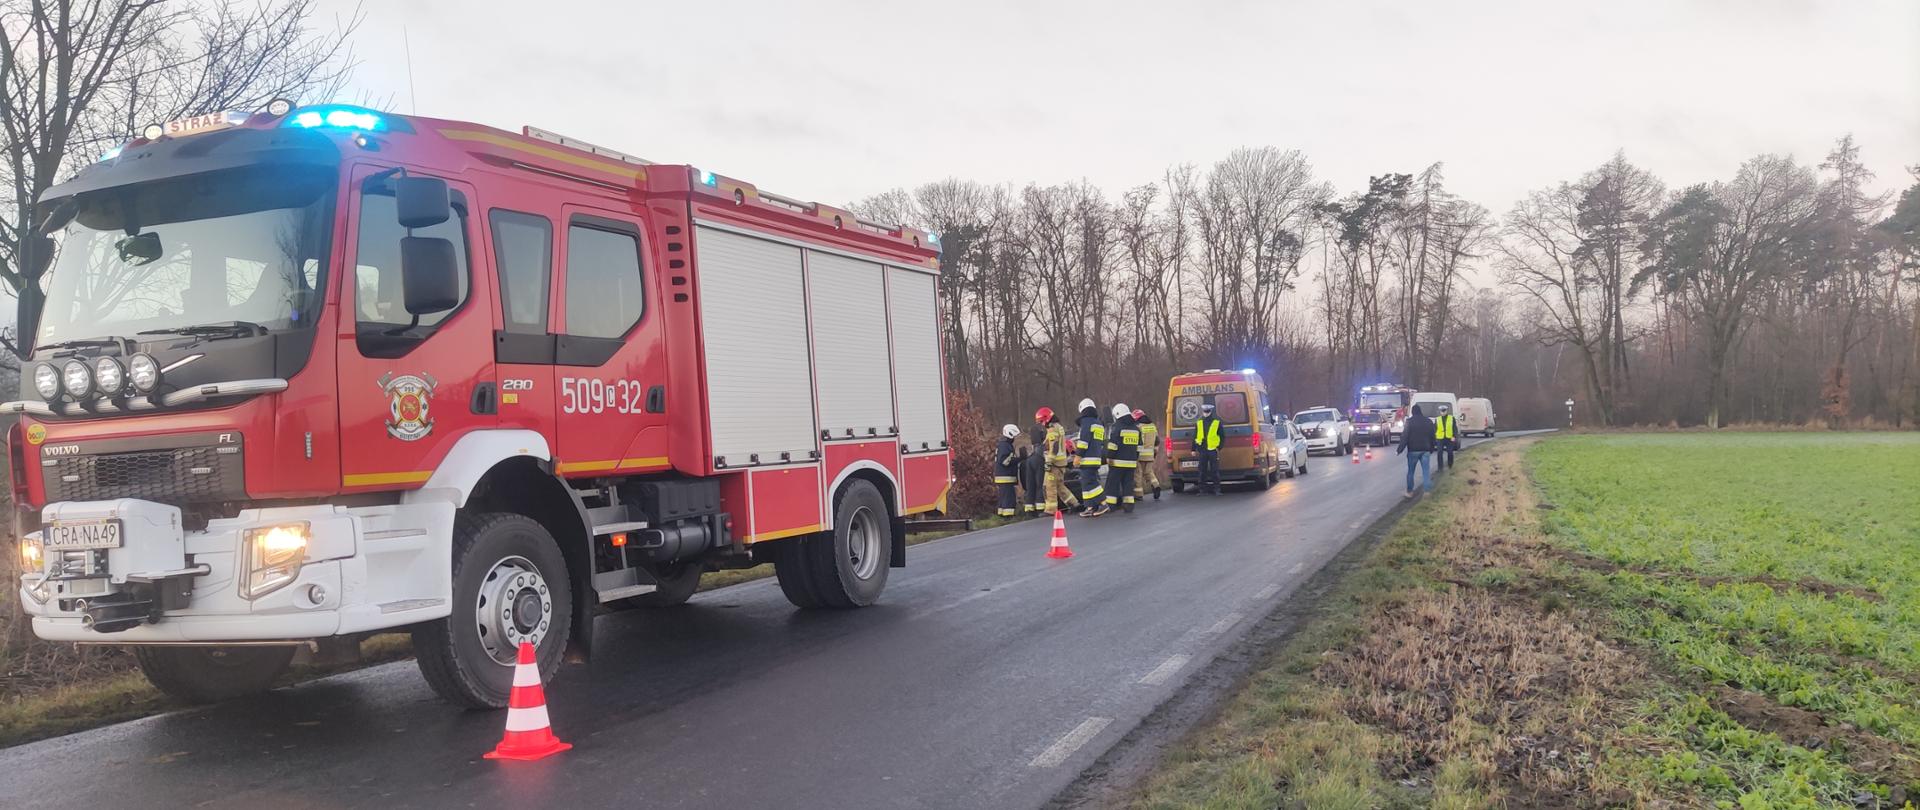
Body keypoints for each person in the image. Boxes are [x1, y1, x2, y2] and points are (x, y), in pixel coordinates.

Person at [1036, 407, 1079, 514]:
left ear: (1047, 418)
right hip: (1061, 462)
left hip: (1054, 464)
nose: (1041, 424)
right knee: (1060, 486)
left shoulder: (1051, 429)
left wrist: (1049, 462)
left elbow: (1054, 447)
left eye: (1042, 421)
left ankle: (1051, 510)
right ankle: (1074, 504)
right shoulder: (1059, 427)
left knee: (1049, 486)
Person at [1074, 398, 1109, 517]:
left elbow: (1084, 441)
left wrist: (1078, 455)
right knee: (1085, 483)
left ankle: (1103, 503)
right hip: (1096, 457)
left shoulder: (1086, 422)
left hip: (1087, 458)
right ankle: (1090, 507)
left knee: (1090, 482)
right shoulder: (1098, 423)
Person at [1105, 403, 1141, 513]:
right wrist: (1134, 458)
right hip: (1131, 463)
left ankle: (1111, 505)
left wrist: (1109, 457)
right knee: (1128, 484)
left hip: (1117, 463)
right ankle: (1129, 504)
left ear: (1117, 415)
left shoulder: (1117, 428)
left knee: (1112, 483)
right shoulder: (1136, 429)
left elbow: (1113, 446)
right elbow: (1139, 447)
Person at [1397, 404, 1436, 497]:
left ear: (1413, 412)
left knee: (1411, 472)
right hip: (1425, 450)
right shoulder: (1428, 421)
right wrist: (1431, 448)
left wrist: (1399, 450)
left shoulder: (1409, 422)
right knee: (1426, 471)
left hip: (1413, 451)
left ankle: (1409, 491)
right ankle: (1427, 491)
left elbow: (1405, 437)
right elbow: (1432, 436)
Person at [1192, 402, 1224, 495]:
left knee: (1215, 470)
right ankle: (1202, 490)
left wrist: (1219, 447)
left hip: (1213, 449)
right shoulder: (1199, 422)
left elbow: (1222, 436)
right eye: (1204, 411)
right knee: (1202, 470)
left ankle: (1217, 489)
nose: (1206, 413)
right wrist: (1193, 449)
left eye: (1207, 411)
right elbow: (1195, 436)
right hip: (1202, 449)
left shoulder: (1216, 422)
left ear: (1210, 411)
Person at [1132, 409, 1162, 501]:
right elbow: (1157, 441)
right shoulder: (1153, 426)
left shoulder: (1138, 427)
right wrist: (1155, 452)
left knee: (1138, 474)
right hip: (1150, 455)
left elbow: (1136, 440)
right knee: (1149, 472)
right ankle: (1156, 485)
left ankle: (1139, 494)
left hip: (1140, 455)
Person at [993, 424, 1020, 517]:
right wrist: (1019, 459)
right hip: (1006, 477)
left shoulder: (1003, 445)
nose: (1015, 439)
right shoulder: (1005, 446)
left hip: (1003, 477)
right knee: (1009, 498)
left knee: (1003, 497)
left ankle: (1002, 514)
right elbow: (1005, 461)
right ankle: (1008, 516)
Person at [1022, 423, 1047, 515]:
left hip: (1030, 460)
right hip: (1039, 460)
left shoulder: (1033, 444)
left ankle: (1029, 509)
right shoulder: (1043, 444)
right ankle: (1041, 508)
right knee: (1040, 484)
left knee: (1030, 485)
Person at [1433, 404, 1458, 471]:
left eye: (1444, 411)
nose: (1443, 412)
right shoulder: (1437, 419)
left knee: (1450, 452)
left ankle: (1450, 465)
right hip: (1440, 438)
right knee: (1439, 452)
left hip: (1449, 438)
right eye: (1442, 411)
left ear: (1446, 411)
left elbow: (1454, 428)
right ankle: (1440, 467)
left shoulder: (1451, 418)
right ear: (1440, 411)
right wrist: (1435, 436)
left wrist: (1454, 436)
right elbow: (1434, 428)